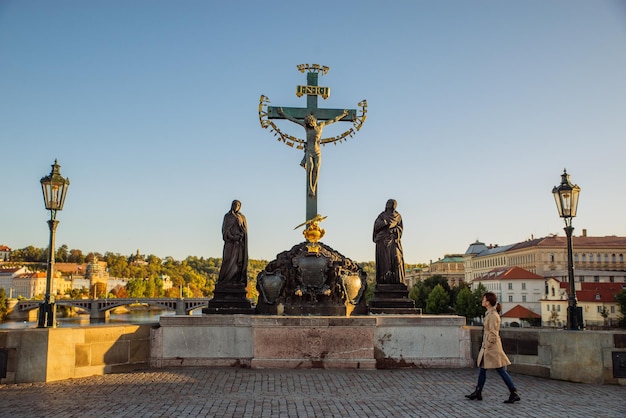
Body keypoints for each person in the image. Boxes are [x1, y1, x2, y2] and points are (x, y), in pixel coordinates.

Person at [278, 107, 348, 197]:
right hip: (309, 151)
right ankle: (310, 188)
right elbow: (293, 120)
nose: (310, 125)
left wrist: (342, 115)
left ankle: (313, 187)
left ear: (314, 121)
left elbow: (333, 120)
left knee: (316, 169)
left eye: (311, 123)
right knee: (310, 168)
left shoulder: (321, 125)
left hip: (317, 151)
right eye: (309, 124)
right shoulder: (306, 127)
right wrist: (283, 114)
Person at [466, 291, 521, 404]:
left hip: (491, 347)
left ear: (488, 302)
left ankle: (513, 392)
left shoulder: (492, 315)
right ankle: (478, 391)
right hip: (488, 346)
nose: (482, 301)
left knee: (500, 369)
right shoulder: (490, 314)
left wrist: (488, 344)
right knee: (483, 368)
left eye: (484, 299)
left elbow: (493, 333)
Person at [372, 199, 405, 284]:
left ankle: (397, 281)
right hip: (382, 241)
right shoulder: (382, 215)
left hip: (393, 240)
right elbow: (376, 226)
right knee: (384, 262)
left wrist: (394, 230)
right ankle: (384, 280)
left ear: (394, 205)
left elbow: (400, 229)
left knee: (397, 258)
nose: (388, 204)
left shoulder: (398, 216)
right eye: (387, 203)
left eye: (390, 203)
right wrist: (384, 223)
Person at [217, 200, 248, 285]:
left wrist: (241, 235)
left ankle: (236, 281)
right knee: (227, 260)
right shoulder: (227, 216)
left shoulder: (242, 217)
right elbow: (225, 229)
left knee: (238, 262)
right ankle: (224, 281)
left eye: (238, 205)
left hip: (239, 244)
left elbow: (244, 230)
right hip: (230, 242)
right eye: (234, 204)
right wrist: (231, 237)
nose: (236, 206)